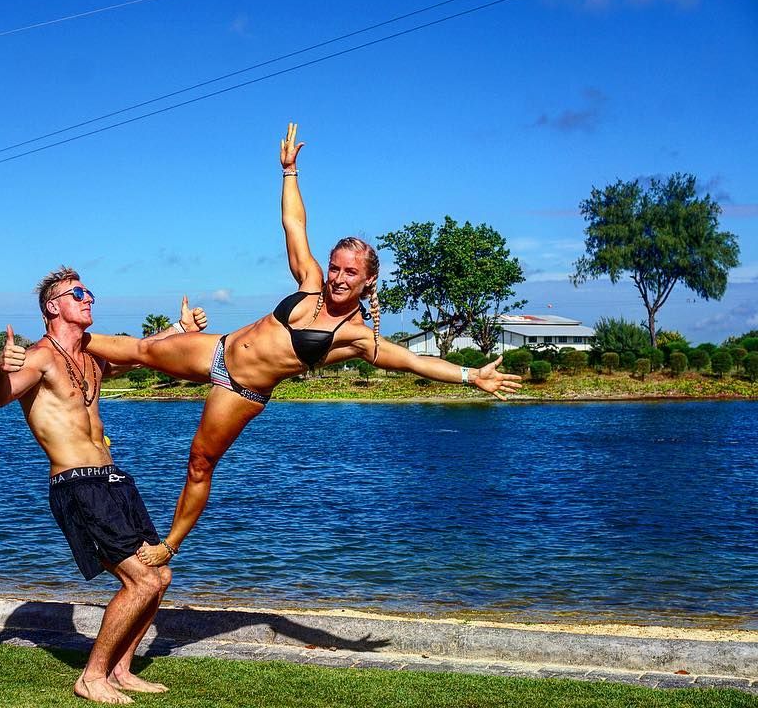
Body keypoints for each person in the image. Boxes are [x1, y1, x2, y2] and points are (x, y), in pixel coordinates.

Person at [84, 123, 523, 568]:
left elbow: (413, 361)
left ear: (368, 279)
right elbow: (294, 224)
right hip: (217, 349)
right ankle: (66, 338)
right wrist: (289, 171)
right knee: (141, 351)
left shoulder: (356, 334)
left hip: (241, 391)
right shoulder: (310, 281)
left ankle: (168, 546)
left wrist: (472, 376)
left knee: (199, 463)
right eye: (336, 268)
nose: (338, 278)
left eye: (350, 273)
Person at [0, 266, 207, 704]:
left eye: (89, 292)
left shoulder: (91, 357)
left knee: (160, 575)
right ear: (53, 307)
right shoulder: (39, 357)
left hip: (113, 479)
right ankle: (91, 677)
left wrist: (180, 329)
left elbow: (140, 352)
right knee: (141, 581)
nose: (88, 298)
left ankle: (121, 670)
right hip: (76, 484)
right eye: (77, 293)